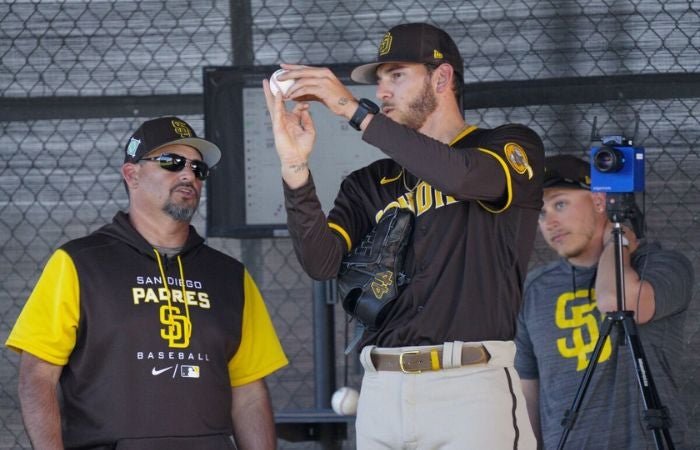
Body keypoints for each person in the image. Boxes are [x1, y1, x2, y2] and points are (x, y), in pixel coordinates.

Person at [264, 22, 544, 449]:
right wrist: (295, 169)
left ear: (442, 78)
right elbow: (320, 262)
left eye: (397, 75)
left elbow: (464, 177)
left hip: (469, 386)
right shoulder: (368, 182)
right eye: (379, 81)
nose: (383, 92)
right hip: (381, 390)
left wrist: (352, 110)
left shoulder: (505, 145)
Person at [5, 116, 288, 450]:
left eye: (198, 169)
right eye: (172, 163)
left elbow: (249, 392)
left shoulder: (230, 277)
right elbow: (37, 376)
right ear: (132, 175)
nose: (188, 175)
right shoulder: (79, 263)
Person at [514, 154, 693, 449]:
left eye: (560, 204)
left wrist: (617, 239)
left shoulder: (660, 264)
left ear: (600, 202)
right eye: (541, 212)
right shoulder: (535, 288)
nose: (550, 222)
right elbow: (528, 392)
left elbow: (617, 302)